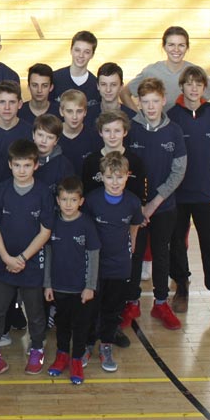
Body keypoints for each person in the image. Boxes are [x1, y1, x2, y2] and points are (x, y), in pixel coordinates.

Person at [167, 65, 210, 325]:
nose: (193, 88)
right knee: (176, 242)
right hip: (178, 194)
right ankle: (181, 286)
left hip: (205, 193)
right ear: (182, 86)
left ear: (205, 88)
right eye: (189, 83)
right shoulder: (172, 115)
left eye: (198, 84)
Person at [121, 78, 186, 331]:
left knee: (161, 254)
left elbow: (178, 171)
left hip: (163, 207)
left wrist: (154, 203)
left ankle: (160, 302)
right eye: (145, 102)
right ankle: (131, 301)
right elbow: (123, 168)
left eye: (155, 101)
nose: (150, 106)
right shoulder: (131, 129)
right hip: (135, 208)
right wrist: (138, 206)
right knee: (135, 254)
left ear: (163, 101)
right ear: (138, 102)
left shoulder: (174, 131)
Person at [0, 139, 54, 374]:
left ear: (36, 165)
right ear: (10, 165)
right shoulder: (0, 191)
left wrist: (22, 258)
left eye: (27, 165)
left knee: (35, 313)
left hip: (31, 264)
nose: (22, 170)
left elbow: (45, 231)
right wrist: (6, 257)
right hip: (3, 263)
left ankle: (37, 348)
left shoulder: (43, 193)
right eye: (17, 165)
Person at [83, 153, 143, 372]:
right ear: (102, 177)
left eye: (119, 177)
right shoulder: (92, 200)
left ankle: (106, 345)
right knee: (91, 308)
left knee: (112, 308)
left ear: (127, 176)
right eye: (110, 177)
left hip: (119, 265)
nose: (115, 182)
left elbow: (134, 227)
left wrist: (131, 247)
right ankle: (87, 344)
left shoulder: (133, 202)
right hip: (96, 265)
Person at [44, 177, 100, 385]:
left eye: (73, 200)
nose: (68, 204)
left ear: (81, 201)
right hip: (59, 287)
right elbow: (48, 255)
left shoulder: (87, 224)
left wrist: (90, 286)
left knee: (81, 326)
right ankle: (61, 356)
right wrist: (48, 284)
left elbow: (93, 256)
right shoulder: (53, 223)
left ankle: (76, 359)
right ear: (58, 201)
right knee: (62, 324)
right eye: (64, 199)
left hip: (81, 289)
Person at [122, 26, 210, 112]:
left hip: (185, 129)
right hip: (159, 128)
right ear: (164, 46)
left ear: (187, 47)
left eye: (181, 45)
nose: (176, 50)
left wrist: (204, 119)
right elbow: (124, 93)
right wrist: (139, 118)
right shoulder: (151, 71)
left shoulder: (194, 73)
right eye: (171, 45)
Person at [81, 110, 147, 201]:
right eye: (107, 131)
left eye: (117, 131)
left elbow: (140, 196)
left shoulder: (135, 162)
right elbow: (86, 194)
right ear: (100, 132)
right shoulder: (90, 162)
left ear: (125, 132)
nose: (112, 136)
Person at [51, 31, 100, 113]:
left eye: (86, 52)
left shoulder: (96, 86)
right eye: (77, 50)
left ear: (92, 55)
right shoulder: (54, 78)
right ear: (71, 50)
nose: (81, 55)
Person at [58, 89, 102, 176]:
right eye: (69, 111)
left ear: (85, 112)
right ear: (61, 111)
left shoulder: (95, 137)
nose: (74, 117)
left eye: (79, 111)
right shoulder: (52, 136)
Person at [31, 114, 75, 195]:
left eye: (50, 137)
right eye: (40, 135)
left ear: (56, 141)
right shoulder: (23, 159)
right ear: (33, 135)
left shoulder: (64, 165)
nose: (44, 141)